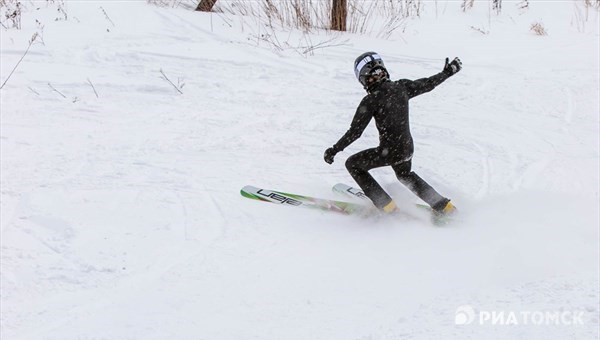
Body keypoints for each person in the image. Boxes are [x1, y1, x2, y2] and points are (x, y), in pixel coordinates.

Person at [324, 52, 461, 215]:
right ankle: (444, 207)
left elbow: (355, 133)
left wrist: (334, 149)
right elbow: (428, 84)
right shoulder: (401, 87)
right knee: (405, 175)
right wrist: (447, 72)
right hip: (407, 148)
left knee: (353, 164)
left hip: (390, 151)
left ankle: (387, 206)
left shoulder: (371, 100)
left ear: (363, 77)